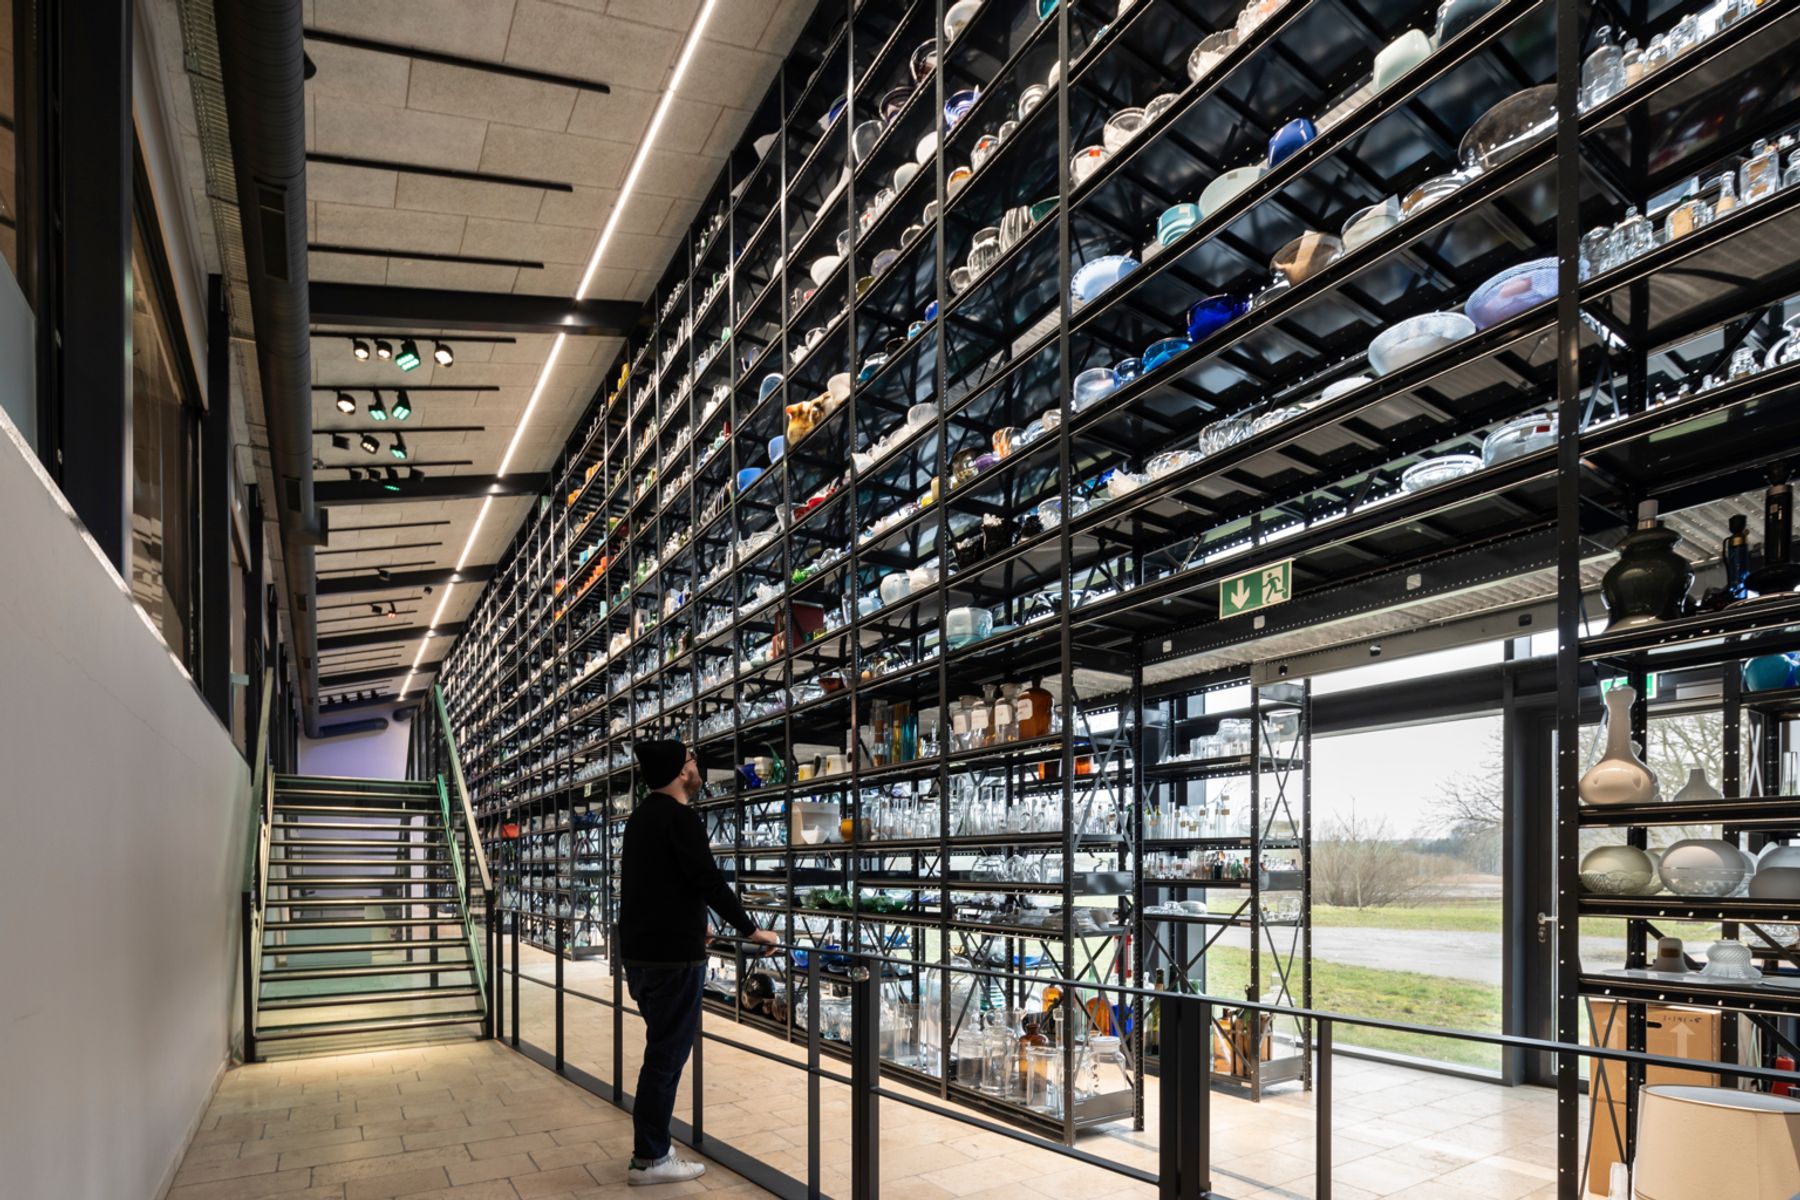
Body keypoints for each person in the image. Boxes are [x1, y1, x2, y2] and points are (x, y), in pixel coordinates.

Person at [619, 737, 777, 1185]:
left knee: (660, 1051)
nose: (696, 764)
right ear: (678, 770)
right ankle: (650, 1158)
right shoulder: (681, 819)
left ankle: (653, 1150)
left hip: (641, 955)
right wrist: (751, 929)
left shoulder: (639, 820)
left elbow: (657, 887)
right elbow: (708, 880)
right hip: (673, 960)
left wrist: (696, 921)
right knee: (666, 1057)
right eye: (690, 759)